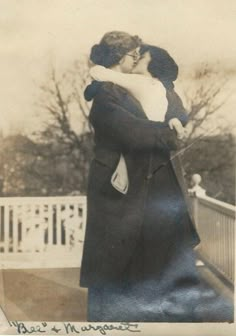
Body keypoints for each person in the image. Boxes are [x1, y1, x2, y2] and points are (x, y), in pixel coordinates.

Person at [80, 31, 233, 322]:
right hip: (122, 185)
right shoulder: (105, 92)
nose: (137, 57)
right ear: (120, 58)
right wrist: (168, 133)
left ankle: (165, 316)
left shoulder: (152, 84)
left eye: (139, 54)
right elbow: (126, 130)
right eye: (133, 54)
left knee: (166, 249)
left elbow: (173, 101)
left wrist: (176, 117)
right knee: (121, 254)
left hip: (160, 180)